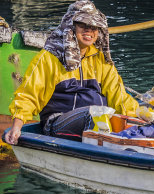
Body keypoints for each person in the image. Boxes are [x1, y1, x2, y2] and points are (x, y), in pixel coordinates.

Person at [4, 0, 139, 145]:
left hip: (100, 120)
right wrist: (17, 127)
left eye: (94, 27)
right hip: (58, 122)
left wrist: (139, 118)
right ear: (71, 26)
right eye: (83, 25)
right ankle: (101, 153)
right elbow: (28, 95)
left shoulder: (101, 60)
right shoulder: (49, 57)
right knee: (93, 114)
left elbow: (119, 96)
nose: (89, 31)